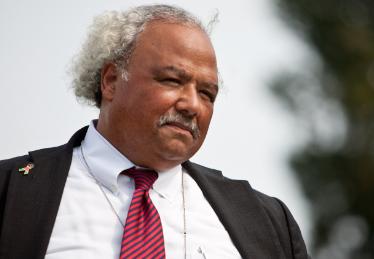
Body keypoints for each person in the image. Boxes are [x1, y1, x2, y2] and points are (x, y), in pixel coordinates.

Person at [0, 4, 309, 259]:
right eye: (172, 80)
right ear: (110, 80)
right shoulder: (13, 191)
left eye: (207, 94)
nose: (192, 105)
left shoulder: (266, 220)